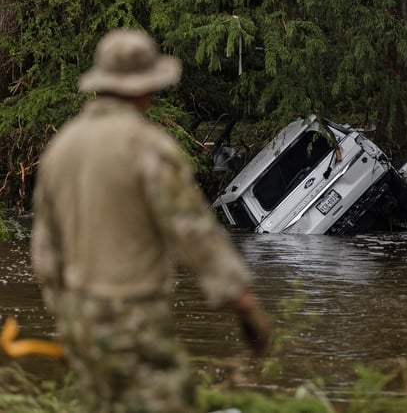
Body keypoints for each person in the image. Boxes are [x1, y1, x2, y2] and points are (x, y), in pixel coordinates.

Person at [30, 28, 272, 412]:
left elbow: (44, 251)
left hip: (78, 317)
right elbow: (193, 231)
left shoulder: (61, 148)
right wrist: (241, 300)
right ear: (145, 88)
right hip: (134, 317)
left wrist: (66, 311)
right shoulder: (148, 147)